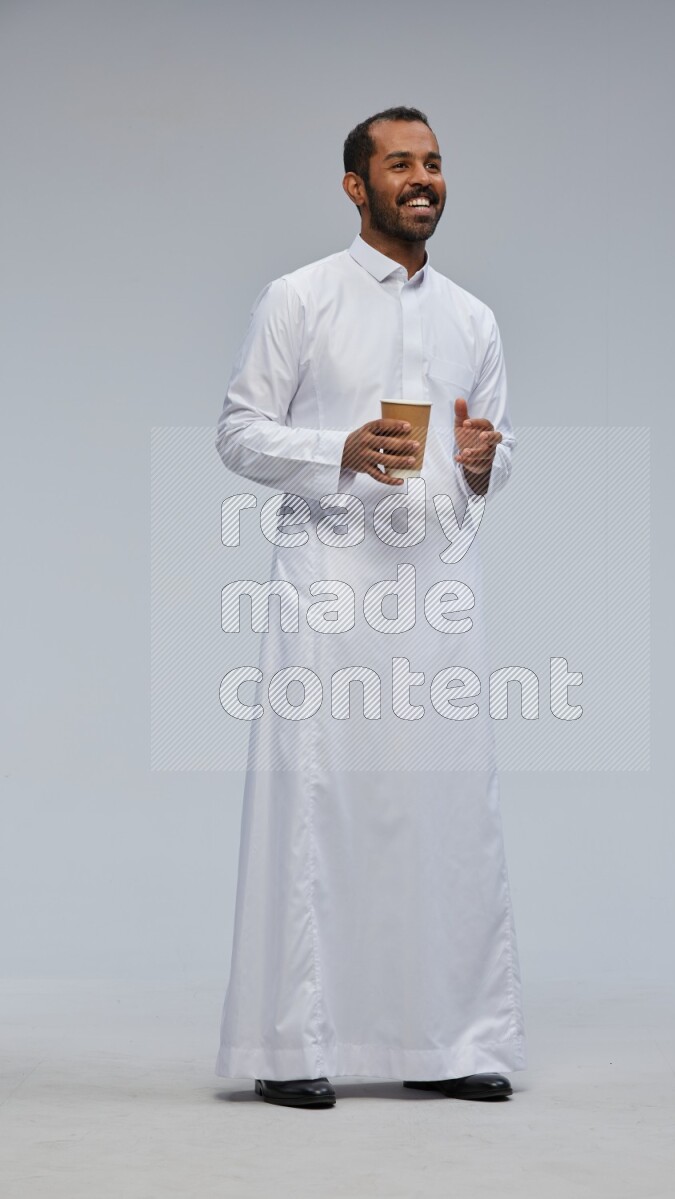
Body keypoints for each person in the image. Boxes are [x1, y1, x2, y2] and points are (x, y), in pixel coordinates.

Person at [214, 106, 527, 1108]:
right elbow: (237, 429)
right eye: (399, 164)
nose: (421, 178)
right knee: (319, 803)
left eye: (432, 162)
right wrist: (334, 451)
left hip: (436, 593)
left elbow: (494, 447)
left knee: (445, 808)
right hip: (329, 590)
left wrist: (486, 463)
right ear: (356, 185)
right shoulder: (301, 298)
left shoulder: (471, 318)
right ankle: (295, 1040)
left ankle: (454, 1037)